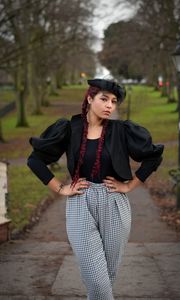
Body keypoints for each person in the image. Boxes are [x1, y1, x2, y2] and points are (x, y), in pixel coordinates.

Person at [27, 78, 164, 300]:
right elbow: (35, 160)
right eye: (104, 99)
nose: (110, 105)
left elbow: (153, 158)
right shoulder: (69, 129)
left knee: (106, 279)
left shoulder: (123, 130)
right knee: (97, 280)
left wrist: (129, 185)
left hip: (114, 203)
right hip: (80, 202)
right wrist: (61, 188)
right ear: (90, 99)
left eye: (114, 101)